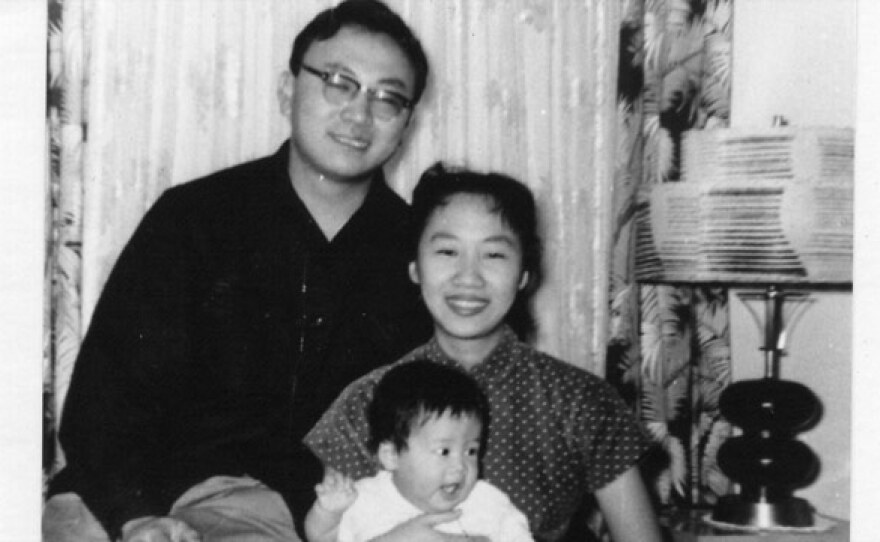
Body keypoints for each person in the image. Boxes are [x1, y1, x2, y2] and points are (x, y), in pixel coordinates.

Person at [43, 1, 432, 541]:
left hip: (312, 512)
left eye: (387, 98)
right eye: (339, 83)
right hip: (146, 491)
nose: (359, 114)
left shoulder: (421, 252)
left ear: (406, 123)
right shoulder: (196, 217)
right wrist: (133, 515)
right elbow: (104, 402)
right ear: (285, 90)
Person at [305, 163, 664, 542]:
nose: (469, 277)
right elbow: (328, 532)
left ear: (524, 273)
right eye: (447, 251)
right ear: (414, 267)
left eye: (493, 255)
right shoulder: (365, 400)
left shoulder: (582, 400)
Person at [304, 360, 534, 542]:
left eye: (471, 451)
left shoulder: (488, 502)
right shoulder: (365, 499)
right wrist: (328, 512)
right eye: (444, 451)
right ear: (392, 455)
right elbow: (321, 537)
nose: (460, 466)